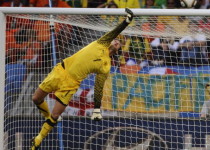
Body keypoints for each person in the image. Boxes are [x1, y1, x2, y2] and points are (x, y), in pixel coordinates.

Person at [31, 8, 134, 150]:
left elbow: (99, 88)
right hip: (60, 71)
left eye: (119, 43)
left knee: (56, 114)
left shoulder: (106, 65)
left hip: (71, 84)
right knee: (36, 98)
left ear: (117, 51)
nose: (117, 42)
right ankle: (46, 116)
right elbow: (115, 31)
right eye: (116, 40)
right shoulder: (102, 42)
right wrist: (127, 21)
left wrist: (97, 109)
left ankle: (38, 140)